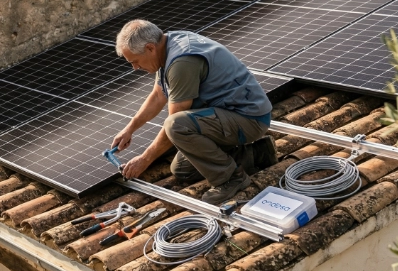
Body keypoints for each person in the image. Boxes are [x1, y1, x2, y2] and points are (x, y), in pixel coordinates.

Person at [110, 20, 276, 205]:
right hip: (226, 114)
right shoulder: (165, 46)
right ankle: (257, 154)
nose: (135, 68)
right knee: (183, 169)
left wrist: (145, 159)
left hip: (248, 119)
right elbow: (158, 95)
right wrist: (130, 129)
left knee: (176, 126)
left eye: (135, 61)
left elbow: (175, 121)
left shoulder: (182, 62)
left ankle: (231, 178)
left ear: (149, 48)